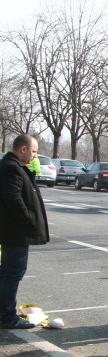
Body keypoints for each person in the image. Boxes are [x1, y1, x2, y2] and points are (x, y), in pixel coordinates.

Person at [0, 134, 49, 329]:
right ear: (23, 149)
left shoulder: (13, 166)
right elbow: (14, 200)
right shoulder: (12, 168)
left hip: (13, 231)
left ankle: (4, 313)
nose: (35, 156)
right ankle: (7, 316)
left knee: (6, 273)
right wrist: (29, 219)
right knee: (12, 273)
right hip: (16, 232)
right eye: (34, 151)